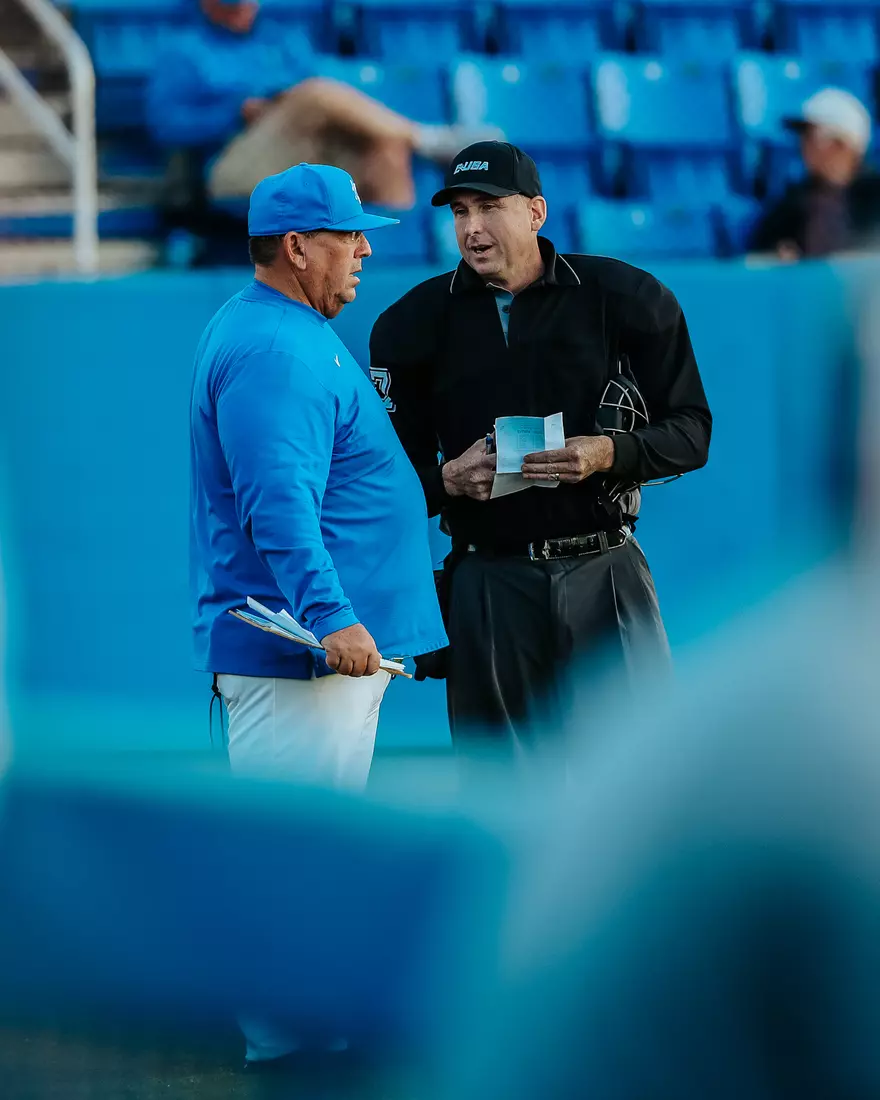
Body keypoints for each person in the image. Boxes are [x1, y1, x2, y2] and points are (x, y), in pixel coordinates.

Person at [370, 141, 712, 764]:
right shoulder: (410, 325)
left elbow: (692, 432)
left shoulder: (626, 296)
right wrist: (448, 479)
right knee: (501, 789)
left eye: (489, 208)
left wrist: (607, 452)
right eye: (459, 212)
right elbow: (382, 489)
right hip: (488, 578)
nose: (472, 229)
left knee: (639, 778)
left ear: (536, 212)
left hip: (606, 566)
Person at [148, 0, 498, 212]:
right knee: (314, 94)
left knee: (385, 148)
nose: (244, 8)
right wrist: (235, 112)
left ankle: (394, 276)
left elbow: (328, 103)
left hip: (307, 152)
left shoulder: (280, 41)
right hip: (234, 163)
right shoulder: (183, 50)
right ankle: (427, 139)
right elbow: (166, 126)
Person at [751, 87, 880, 260]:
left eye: (813, 137)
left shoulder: (875, 196)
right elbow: (761, 253)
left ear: (843, 144)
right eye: (803, 136)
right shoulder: (793, 202)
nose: (804, 145)